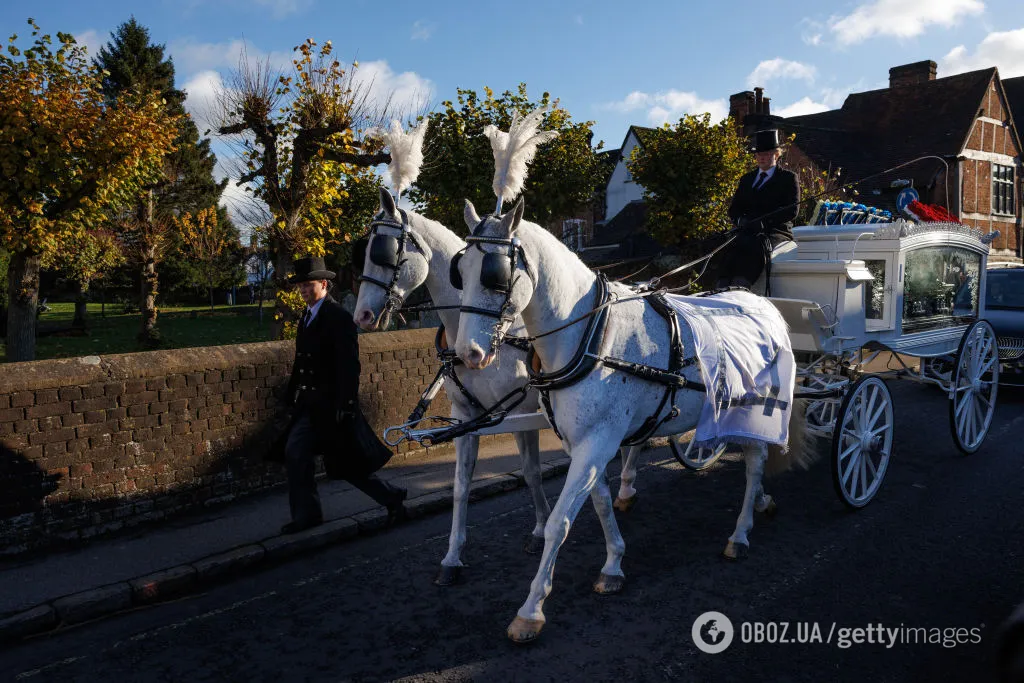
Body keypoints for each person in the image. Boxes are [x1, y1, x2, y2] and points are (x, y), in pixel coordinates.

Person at [279, 255, 407, 534]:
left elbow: (350, 364)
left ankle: (391, 496)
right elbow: (302, 361)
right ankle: (307, 516)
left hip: (332, 406)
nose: (302, 290)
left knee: (346, 465)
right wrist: (291, 394)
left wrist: (347, 404)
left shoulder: (337, 317)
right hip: (310, 405)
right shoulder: (307, 317)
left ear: (324, 284)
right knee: (296, 453)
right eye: (299, 286)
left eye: (307, 285)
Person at [718, 129, 800, 292]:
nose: (762, 157)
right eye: (759, 154)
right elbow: (734, 209)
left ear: (776, 155)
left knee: (756, 246)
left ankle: (740, 286)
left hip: (775, 231)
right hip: (747, 229)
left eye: (767, 154)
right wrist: (741, 220)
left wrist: (764, 222)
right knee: (728, 246)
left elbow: (792, 210)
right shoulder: (747, 179)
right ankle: (720, 287)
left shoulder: (788, 178)